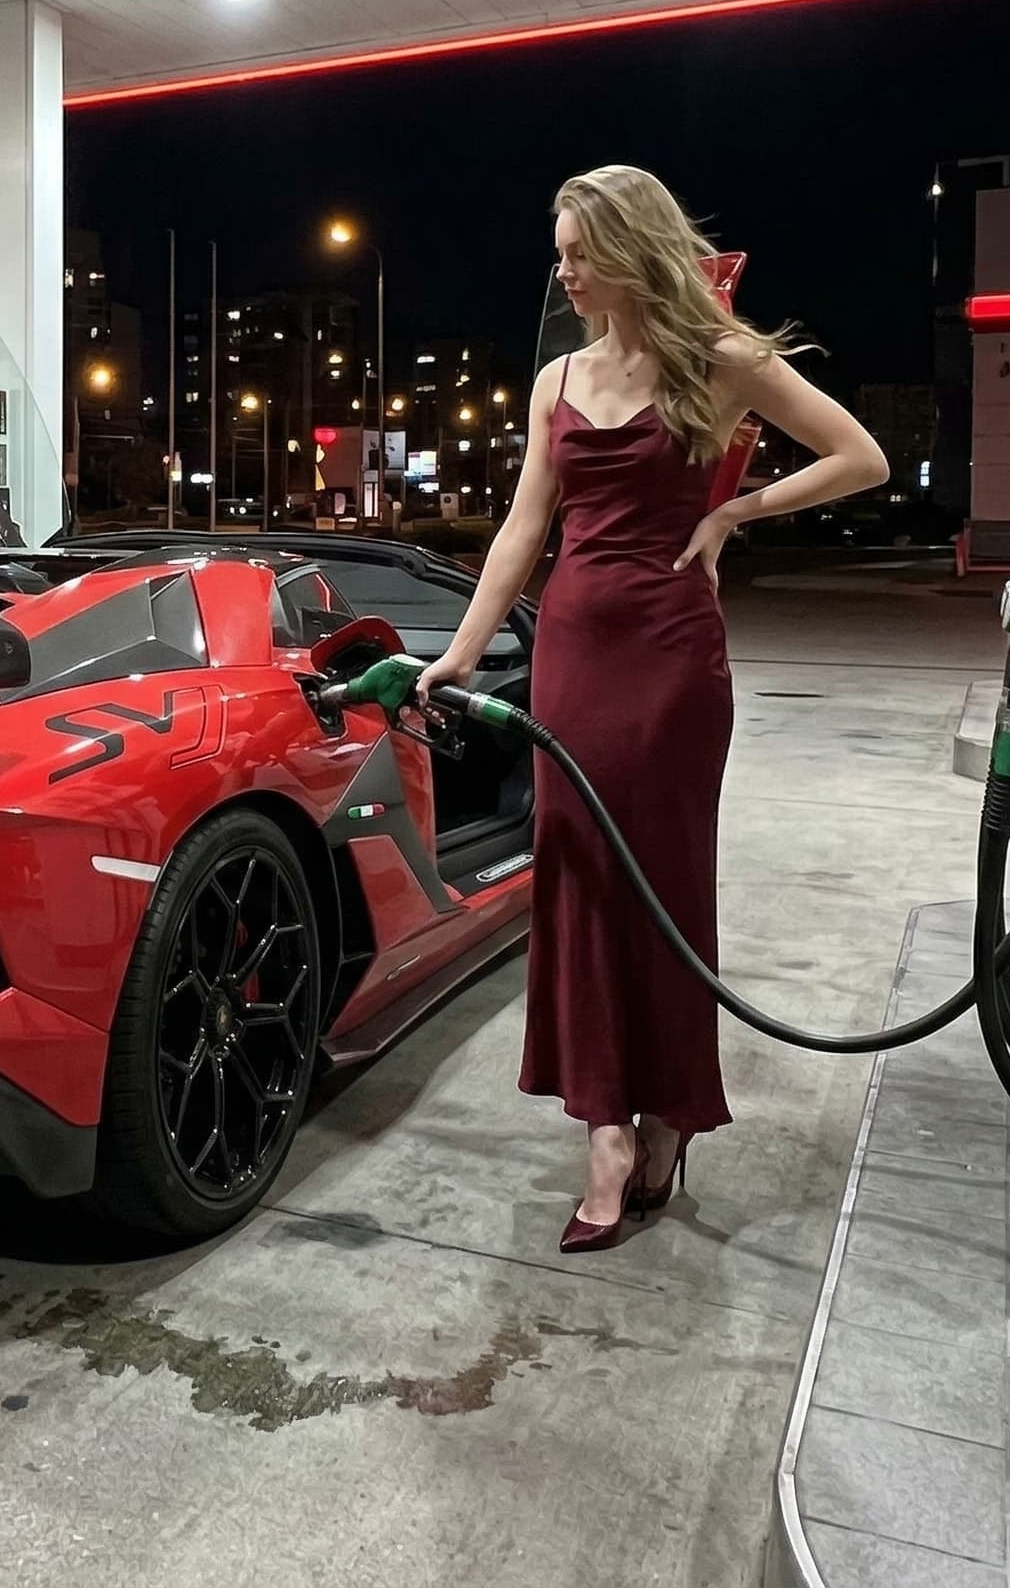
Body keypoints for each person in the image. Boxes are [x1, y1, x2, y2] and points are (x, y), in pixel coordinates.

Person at [418, 166, 888, 1252]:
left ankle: (669, 1112)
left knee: (662, 882)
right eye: (559, 254)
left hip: (672, 659)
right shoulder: (557, 378)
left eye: (581, 253)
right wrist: (460, 651)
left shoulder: (720, 359)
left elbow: (859, 457)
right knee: (577, 876)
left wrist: (731, 513)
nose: (566, 274)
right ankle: (604, 1132)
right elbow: (522, 528)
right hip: (575, 650)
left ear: (634, 249)